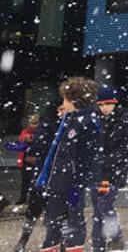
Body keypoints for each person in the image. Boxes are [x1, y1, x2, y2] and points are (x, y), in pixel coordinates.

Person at [34, 77, 102, 252]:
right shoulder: (69, 119)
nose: (62, 103)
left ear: (75, 100)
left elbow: (90, 158)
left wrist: (77, 182)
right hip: (58, 182)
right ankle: (53, 246)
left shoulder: (87, 123)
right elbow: (55, 150)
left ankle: (72, 247)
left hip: (72, 184)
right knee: (54, 221)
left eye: (65, 99)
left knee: (73, 220)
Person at [91, 85, 128, 252]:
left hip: (112, 172)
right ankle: (100, 244)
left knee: (103, 207)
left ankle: (111, 238)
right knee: (98, 209)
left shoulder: (126, 119)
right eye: (101, 104)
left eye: (107, 104)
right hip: (95, 171)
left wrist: (105, 161)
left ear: (115, 103)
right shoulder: (93, 119)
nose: (104, 108)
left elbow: (127, 148)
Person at [13, 104, 58, 252]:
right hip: (47, 173)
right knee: (40, 209)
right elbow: (39, 145)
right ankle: (25, 240)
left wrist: (31, 146)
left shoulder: (53, 124)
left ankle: (27, 241)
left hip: (48, 173)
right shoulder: (52, 124)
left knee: (40, 210)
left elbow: (38, 146)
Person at [4, 114, 39, 205]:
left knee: (32, 180)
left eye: (35, 123)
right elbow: (19, 144)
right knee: (25, 180)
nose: (32, 125)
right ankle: (24, 198)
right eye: (31, 123)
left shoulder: (39, 133)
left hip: (32, 160)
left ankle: (32, 199)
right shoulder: (25, 132)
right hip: (26, 160)